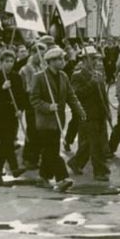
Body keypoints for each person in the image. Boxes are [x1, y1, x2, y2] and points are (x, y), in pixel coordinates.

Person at [30, 47, 86, 192]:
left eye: (62, 58)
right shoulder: (39, 77)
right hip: (45, 121)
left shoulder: (63, 76)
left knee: (50, 149)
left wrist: (79, 110)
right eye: (59, 59)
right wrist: (48, 107)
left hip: (58, 120)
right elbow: (34, 99)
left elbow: (71, 96)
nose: (62, 61)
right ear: (50, 62)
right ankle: (62, 178)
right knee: (52, 151)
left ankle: (43, 176)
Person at [68, 46, 112, 181]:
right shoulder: (77, 75)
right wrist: (91, 83)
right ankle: (99, 171)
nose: (95, 61)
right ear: (84, 59)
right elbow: (77, 94)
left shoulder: (98, 74)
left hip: (99, 113)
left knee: (90, 143)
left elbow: (103, 95)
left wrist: (108, 111)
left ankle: (76, 162)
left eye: (96, 58)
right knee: (95, 143)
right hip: (87, 113)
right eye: (92, 58)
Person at [0, 50, 28, 183]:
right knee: (7, 140)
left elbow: (21, 95)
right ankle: (14, 167)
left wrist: (21, 109)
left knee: (8, 140)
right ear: (1, 62)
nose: (9, 64)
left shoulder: (16, 77)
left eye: (11, 61)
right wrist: (2, 88)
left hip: (13, 112)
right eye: (6, 61)